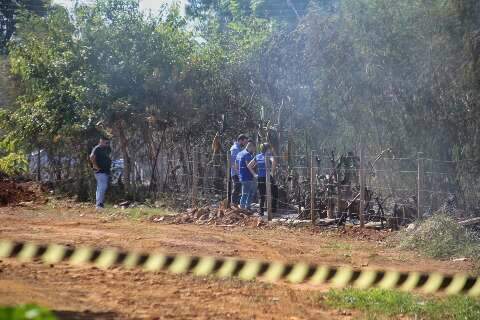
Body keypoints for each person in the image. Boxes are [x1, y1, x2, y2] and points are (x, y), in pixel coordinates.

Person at [248, 143, 278, 216]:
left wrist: (254, 174)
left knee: (262, 195)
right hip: (268, 177)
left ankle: (261, 212)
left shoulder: (257, 156)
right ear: (267, 149)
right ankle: (273, 209)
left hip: (260, 178)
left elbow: (249, 165)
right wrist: (272, 172)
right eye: (269, 148)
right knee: (274, 192)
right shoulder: (269, 156)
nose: (270, 150)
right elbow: (274, 161)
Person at [89, 136, 112, 210]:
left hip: (106, 171)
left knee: (101, 186)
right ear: (101, 141)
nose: (107, 144)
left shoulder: (107, 148)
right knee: (102, 186)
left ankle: (99, 204)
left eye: (108, 142)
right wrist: (95, 166)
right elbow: (92, 156)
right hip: (100, 171)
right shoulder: (97, 148)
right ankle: (99, 204)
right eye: (106, 142)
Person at [236, 141, 257, 210]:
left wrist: (239, 174)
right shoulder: (247, 155)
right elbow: (249, 166)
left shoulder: (240, 153)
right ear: (251, 147)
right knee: (247, 193)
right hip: (247, 177)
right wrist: (254, 174)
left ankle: (246, 207)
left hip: (242, 176)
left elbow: (236, 165)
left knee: (247, 193)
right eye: (254, 149)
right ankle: (243, 208)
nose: (254, 150)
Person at [230, 134, 249, 206]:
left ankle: (236, 205)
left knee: (239, 188)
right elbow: (232, 162)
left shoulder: (240, 148)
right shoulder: (235, 149)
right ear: (240, 140)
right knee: (236, 187)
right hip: (236, 173)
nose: (245, 144)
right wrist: (238, 173)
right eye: (244, 142)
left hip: (240, 173)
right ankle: (233, 204)